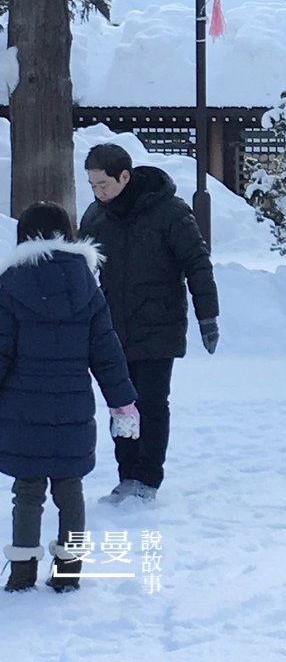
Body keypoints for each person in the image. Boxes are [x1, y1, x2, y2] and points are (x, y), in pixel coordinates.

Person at [0, 201, 138, 593]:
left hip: (22, 410)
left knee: (27, 491)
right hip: (73, 408)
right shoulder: (86, 286)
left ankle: (23, 570)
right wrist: (122, 401)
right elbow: (106, 351)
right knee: (69, 488)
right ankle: (69, 570)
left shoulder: (9, 285)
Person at [79, 143, 219, 504]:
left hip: (159, 324)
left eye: (103, 185)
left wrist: (208, 314)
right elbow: (80, 271)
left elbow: (197, 263)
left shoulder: (169, 212)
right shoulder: (95, 217)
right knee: (120, 403)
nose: (98, 193)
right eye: (93, 186)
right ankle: (126, 476)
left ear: (124, 176)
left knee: (152, 402)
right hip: (112, 328)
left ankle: (147, 478)